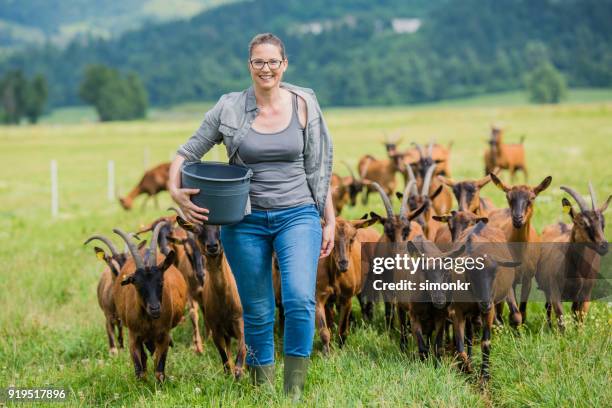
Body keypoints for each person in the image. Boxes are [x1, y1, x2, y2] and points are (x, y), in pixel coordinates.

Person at [168, 33, 335, 399]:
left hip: (298, 213)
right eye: (259, 62)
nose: (266, 68)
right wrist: (173, 187)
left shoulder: (305, 103)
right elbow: (187, 151)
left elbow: (318, 168)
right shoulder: (229, 107)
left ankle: (293, 389)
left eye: (273, 61)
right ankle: (263, 390)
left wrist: (330, 220)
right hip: (244, 220)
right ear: (249, 66)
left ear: (284, 64)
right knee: (257, 310)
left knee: (299, 299)